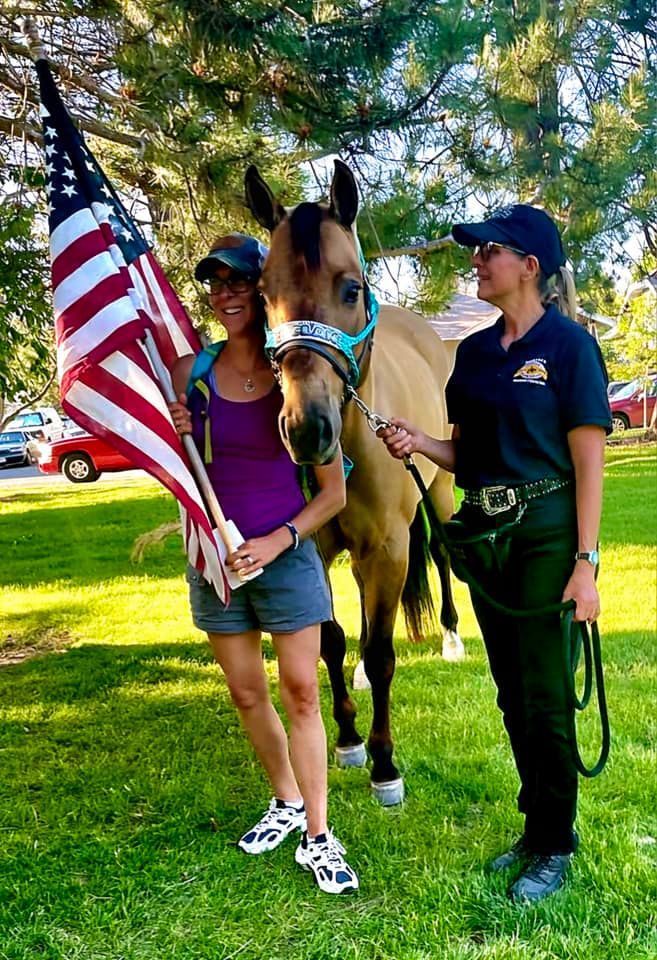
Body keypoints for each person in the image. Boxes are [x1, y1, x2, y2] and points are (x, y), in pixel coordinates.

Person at [379, 205, 611, 902]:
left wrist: (586, 563)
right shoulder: (475, 354)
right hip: (484, 536)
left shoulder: (570, 348)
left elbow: (589, 461)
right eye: (475, 251)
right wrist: (419, 442)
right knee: (512, 693)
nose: (475, 261)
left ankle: (555, 843)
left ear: (529, 266)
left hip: (547, 536)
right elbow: (468, 452)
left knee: (546, 695)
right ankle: (535, 827)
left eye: (488, 251)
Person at [168, 233, 358, 895]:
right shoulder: (189, 374)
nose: (225, 294)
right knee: (247, 692)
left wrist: (280, 540)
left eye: (238, 281)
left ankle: (318, 835)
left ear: (264, 289)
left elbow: (333, 493)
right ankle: (286, 800)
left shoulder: (297, 371)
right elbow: (174, 466)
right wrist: (174, 431)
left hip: (285, 558)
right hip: (216, 561)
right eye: (214, 283)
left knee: (301, 692)